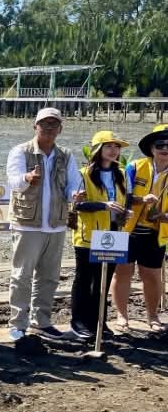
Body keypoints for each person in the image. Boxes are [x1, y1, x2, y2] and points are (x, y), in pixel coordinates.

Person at [5, 107, 82, 340]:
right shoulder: (20, 151)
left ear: (60, 128)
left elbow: (73, 185)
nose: (49, 128)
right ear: (34, 126)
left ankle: (42, 321)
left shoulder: (66, 155)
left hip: (57, 225)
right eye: (44, 123)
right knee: (21, 275)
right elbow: (14, 182)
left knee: (49, 277)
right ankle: (17, 323)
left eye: (54, 124)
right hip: (27, 224)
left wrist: (76, 195)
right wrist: (27, 178)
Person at [70, 131, 131, 340]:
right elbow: (78, 205)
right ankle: (79, 322)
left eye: (117, 147)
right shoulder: (83, 174)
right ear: (97, 150)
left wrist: (125, 211)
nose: (114, 151)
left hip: (114, 233)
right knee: (84, 279)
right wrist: (103, 205)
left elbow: (125, 199)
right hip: (88, 235)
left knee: (103, 280)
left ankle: (99, 322)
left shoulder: (121, 174)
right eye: (108, 146)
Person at [112, 124, 168, 334]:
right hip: (127, 229)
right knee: (122, 272)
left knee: (152, 276)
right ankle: (121, 315)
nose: (165, 148)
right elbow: (121, 196)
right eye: (160, 144)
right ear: (151, 148)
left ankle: (153, 317)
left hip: (157, 232)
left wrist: (163, 216)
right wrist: (141, 200)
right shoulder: (134, 167)